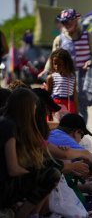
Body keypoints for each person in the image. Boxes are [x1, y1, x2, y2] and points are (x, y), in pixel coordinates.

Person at [0, 88, 62, 218]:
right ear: (25, 108)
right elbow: (13, 169)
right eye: (34, 107)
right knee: (51, 173)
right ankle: (26, 215)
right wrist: (38, 177)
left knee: (49, 166)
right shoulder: (8, 126)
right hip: (4, 187)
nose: (35, 111)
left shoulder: (9, 122)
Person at [39, 8, 92, 124]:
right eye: (63, 22)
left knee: (81, 103)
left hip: (82, 74)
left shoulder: (87, 36)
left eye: (68, 21)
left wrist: (91, 61)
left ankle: (80, 130)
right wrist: (46, 70)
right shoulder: (59, 39)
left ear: (76, 21)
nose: (65, 24)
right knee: (63, 102)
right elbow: (53, 56)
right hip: (64, 75)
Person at [45, 48, 78, 115]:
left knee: (68, 125)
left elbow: (75, 96)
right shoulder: (51, 77)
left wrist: (77, 112)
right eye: (55, 64)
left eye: (59, 64)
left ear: (66, 63)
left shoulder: (72, 77)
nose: (56, 66)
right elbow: (47, 96)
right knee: (56, 125)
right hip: (55, 106)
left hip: (69, 106)